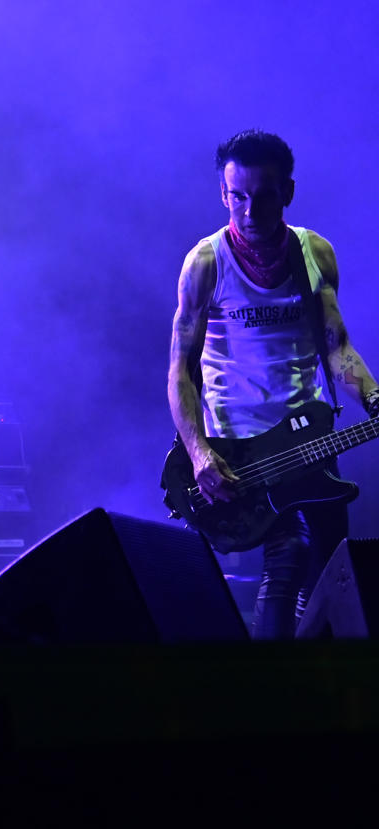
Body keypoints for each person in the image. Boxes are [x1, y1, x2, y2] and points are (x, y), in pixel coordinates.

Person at [167, 129, 379, 637]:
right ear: (224, 195)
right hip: (241, 449)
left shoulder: (315, 253)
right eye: (237, 196)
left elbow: (337, 347)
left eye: (263, 197)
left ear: (287, 192)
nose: (249, 211)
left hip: (310, 433)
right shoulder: (205, 263)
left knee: (333, 574)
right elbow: (179, 371)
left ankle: (315, 679)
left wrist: (373, 397)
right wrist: (199, 453)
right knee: (290, 553)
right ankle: (271, 678)